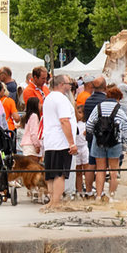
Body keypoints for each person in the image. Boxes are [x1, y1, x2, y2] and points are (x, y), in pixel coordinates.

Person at [84, 84, 127, 200]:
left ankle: (99, 195)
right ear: (119, 98)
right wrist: (125, 145)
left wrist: (95, 134)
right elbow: (126, 130)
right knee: (114, 171)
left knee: (100, 170)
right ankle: (111, 196)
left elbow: (89, 125)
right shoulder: (120, 110)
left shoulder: (98, 107)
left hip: (99, 141)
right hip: (114, 142)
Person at [41, 76, 78, 212]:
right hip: (61, 142)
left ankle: (52, 200)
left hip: (50, 141)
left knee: (51, 174)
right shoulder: (61, 99)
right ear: (62, 84)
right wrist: (71, 143)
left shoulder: (48, 98)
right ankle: (56, 202)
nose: (71, 86)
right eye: (69, 83)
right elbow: (64, 121)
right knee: (59, 174)